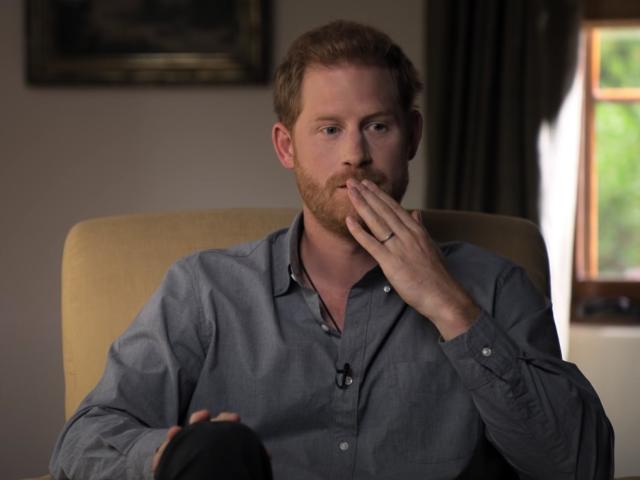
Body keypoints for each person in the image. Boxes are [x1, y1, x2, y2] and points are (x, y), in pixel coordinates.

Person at [50, 20, 613, 480]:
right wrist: (169, 458)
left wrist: (449, 305)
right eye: (328, 130)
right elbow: (81, 443)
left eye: (378, 126)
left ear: (413, 136)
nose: (355, 155)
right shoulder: (204, 291)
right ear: (286, 147)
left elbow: (581, 466)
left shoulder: (495, 286)